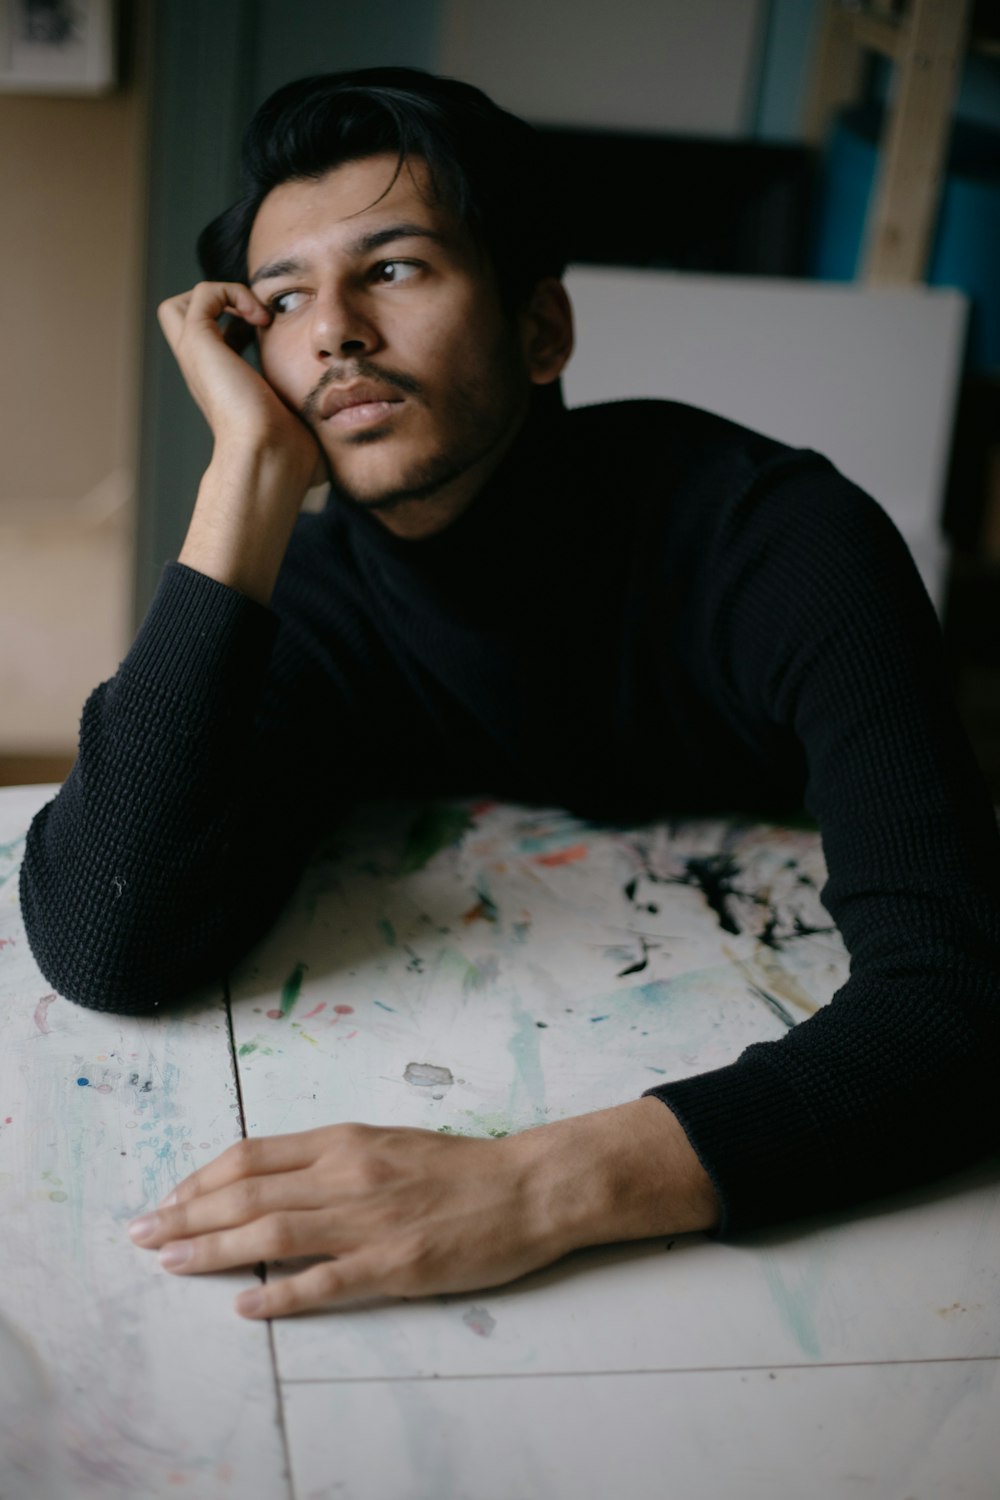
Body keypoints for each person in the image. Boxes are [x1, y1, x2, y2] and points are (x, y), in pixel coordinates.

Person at [20, 68, 1000, 1322]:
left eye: (392, 269)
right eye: (282, 299)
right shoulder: (316, 600)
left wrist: (534, 1189)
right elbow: (111, 936)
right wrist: (243, 484)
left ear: (542, 330)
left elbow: (961, 1000)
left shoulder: (782, 546)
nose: (332, 332)